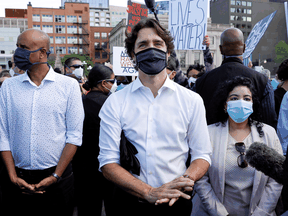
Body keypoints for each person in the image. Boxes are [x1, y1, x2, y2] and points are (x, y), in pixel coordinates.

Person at [98, 18, 212, 216]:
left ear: (168, 52)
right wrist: (148, 192)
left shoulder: (191, 100)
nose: (151, 49)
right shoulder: (115, 102)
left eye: (158, 44)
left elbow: (202, 156)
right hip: (129, 204)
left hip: (175, 203)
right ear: (133, 55)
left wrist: (181, 182)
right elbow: (108, 163)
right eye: (143, 45)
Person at [0, 29, 84, 216]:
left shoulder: (68, 86)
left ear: (43, 53)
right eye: (17, 47)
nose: (17, 53)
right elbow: (3, 133)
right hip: (17, 179)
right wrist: (12, 175)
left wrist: (56, 176)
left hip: (58, 180)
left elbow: (74, 136)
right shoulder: (8, 87)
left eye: (23, 48)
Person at [192, 76, 283, 216]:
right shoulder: (208, 133)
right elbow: (201, 179)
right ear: (225, 104)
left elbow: (276, 180)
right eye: (234, 98)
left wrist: (261, 213)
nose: (241, 103)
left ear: (253, 104)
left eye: (247, 99)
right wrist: (220, 213)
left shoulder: (268, 134)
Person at [193, 28, 277, 129]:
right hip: (253, 141)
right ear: (244, 48)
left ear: (220, 49)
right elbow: (269, 120)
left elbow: (194, 118)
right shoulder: (262, 80)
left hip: (211, 142)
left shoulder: (202, 81)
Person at [73, 63, 117, 216]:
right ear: (104, 83)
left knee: (88, 208)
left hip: (83, 167)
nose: (114, 84)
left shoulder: (79, 102)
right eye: (113, 81)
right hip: (110, 165)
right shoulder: (111, 104)